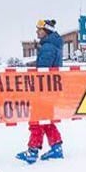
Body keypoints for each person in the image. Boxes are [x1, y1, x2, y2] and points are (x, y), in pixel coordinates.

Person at [16, 19, 64, 163]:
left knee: (36, 119)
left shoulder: (48, 47)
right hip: (50, 90)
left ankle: (33, 150)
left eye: (39, 29)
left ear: (46, 31)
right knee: (46, 119)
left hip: (44, 90)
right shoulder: (52, 46)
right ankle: (56, 147)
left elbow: (42, 70)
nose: (37, 31)